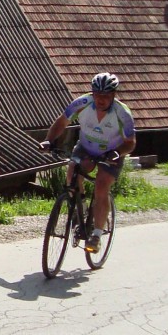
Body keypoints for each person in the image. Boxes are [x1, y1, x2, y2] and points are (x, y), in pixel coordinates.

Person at [39, 72, 137, 253]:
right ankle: (81, 211)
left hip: (111, 152)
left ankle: (96, 235)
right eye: (97, 95)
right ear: (92, 93)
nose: (101, 100)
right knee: (72, 174)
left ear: (113, 95)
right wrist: (48, 140)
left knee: (101, 186)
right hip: (85, 147)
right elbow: (62, 122)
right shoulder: (82, 104)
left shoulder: (122, 113)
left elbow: (131, 143)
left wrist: (116, 153)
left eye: (106, 96)